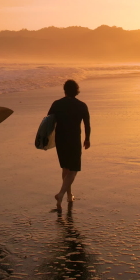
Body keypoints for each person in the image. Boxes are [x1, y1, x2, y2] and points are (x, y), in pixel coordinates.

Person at [48, 79, 91, 210]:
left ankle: (69, 195)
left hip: (60, 140)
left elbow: (48, 122)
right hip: (73, 140)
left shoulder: (56, 104)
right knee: (74, 169)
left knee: (65, 168)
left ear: (65, 90)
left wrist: (45, 140)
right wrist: (87, 139)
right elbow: (87, 125)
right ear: (76, 90)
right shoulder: (82, 105)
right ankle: (61, 194)